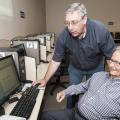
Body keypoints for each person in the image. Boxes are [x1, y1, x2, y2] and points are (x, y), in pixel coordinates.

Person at [33, 2, 116, 108]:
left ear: (85, 19)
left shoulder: (100, 31)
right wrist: (45, 80)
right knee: (71, 92)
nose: (70, 27)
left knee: (94, 93)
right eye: (67, 23)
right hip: (76, 68)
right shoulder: (64, 35)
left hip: (95, 67)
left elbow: (111, 57)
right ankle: (70, 111)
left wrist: (114, 79)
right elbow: (56, 60)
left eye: (74, 22)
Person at [41, 49, 120, 120]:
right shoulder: (99, 75)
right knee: (44, 116)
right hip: (75, 112)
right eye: (111, 60)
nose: (111, 65)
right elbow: (82, 86)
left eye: (117, 63)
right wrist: (65, 92)